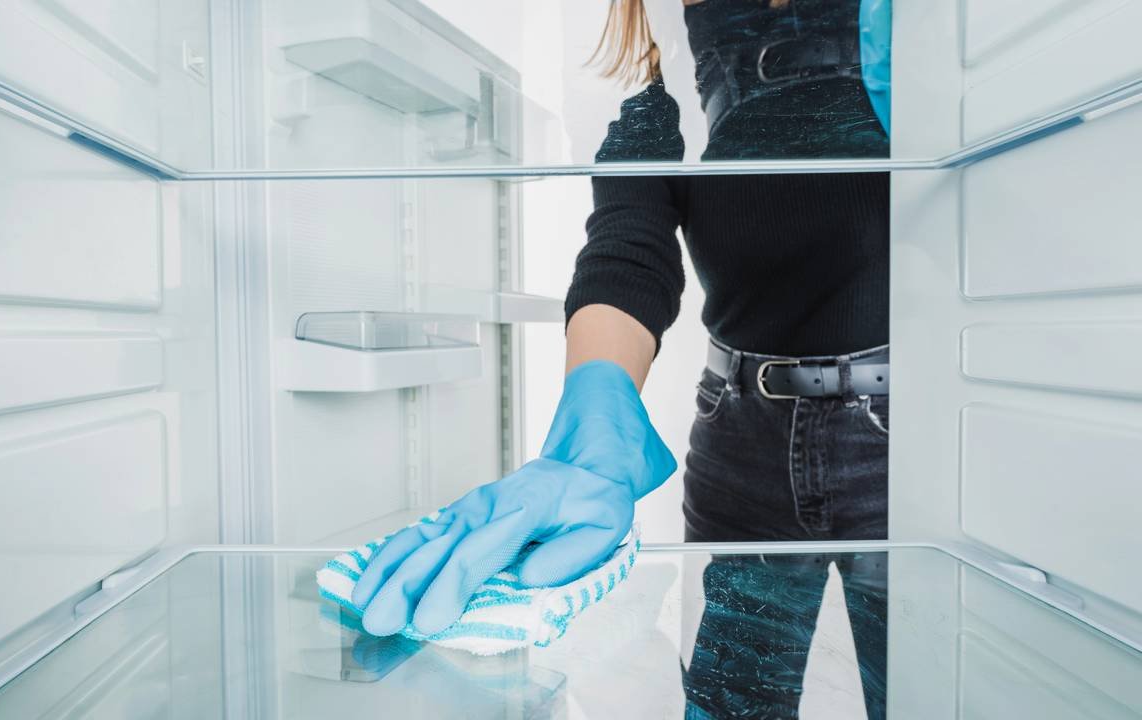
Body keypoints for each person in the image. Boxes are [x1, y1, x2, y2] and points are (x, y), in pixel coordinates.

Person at [352, 0, 891, 716]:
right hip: (740, 445)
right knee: (731, 704)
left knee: (931, 688)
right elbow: (628, 248)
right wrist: (594, 426)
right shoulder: (663, 75)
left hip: (904, 445)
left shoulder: (901, 38)